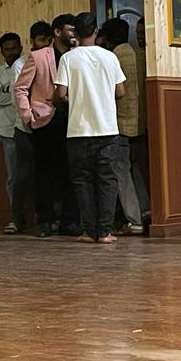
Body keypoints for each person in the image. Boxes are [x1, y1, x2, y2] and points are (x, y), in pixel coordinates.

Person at [53, 13, 126, 243]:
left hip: (78, 131)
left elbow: (60, 94)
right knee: (107, 181)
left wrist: (69, 98)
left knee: (82, 181)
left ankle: (89, 231)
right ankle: (105, 232)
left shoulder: (68, 59)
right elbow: (120, 92)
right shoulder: (110, 57)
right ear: (96, 31)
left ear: (75, 32)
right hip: (107, 130)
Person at [14, 14, 79, 237]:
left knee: (70, 171)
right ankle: (45, 220)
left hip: (73, 119)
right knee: (43, 173)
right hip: (45, 119)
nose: (74, 33)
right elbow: (20, 88)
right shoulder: (39, 56)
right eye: (70, 29)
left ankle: (68, 221)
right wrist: (27, 116)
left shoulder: (77, 55)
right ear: (58, 32)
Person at [99, 18, 149, 233]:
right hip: (142, 122)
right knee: (135, 169)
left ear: (107, 38)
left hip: (120, 123)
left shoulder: (112, 57)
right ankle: (145, 211)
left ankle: (134, 219)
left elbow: (113, 91)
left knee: (121, 172)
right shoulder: (142, 54)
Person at [9, 21, 54, 233]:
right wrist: (28, 118)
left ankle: (47, 217)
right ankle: (17, 219)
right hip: (25, 126)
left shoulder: (52, 58)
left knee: (45, 172)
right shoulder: (21, 64)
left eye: (47, 40)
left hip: (46, 123)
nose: (44, 43)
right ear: (32, 40)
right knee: (23, 174)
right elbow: (17, 94)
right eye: (40, 40)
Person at [0, 32, 23, 234]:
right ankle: (14, 218)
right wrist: (19, 93)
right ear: (2, 52)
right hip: (7, 130)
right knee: (13, 177)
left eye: (14, 48)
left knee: (32, 174)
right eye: (7, 49)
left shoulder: (27, 66)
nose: (11, 52)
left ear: (21, 47)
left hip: (27, 127)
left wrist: (9, 91)